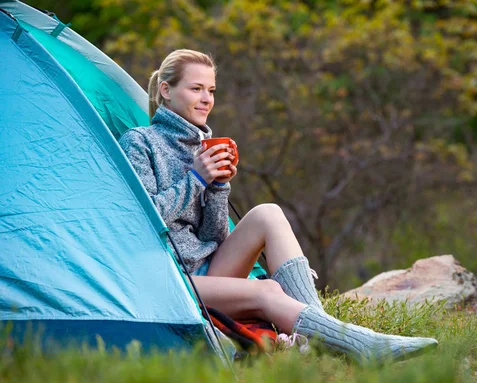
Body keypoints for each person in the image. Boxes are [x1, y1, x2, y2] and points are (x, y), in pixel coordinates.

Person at [119, 49, 438, 363]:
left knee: (267, 213)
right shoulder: (140, 142)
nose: (206, 99)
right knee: (268, 291)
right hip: (168, 277)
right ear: (166, 90)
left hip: (208, 270)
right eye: (196, 88)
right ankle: (356, 343)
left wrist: (218, 186)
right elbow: (142, 223)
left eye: (212, 90)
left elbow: (213, 237)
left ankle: (319, 327)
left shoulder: (203, 147)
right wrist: (197, 179)